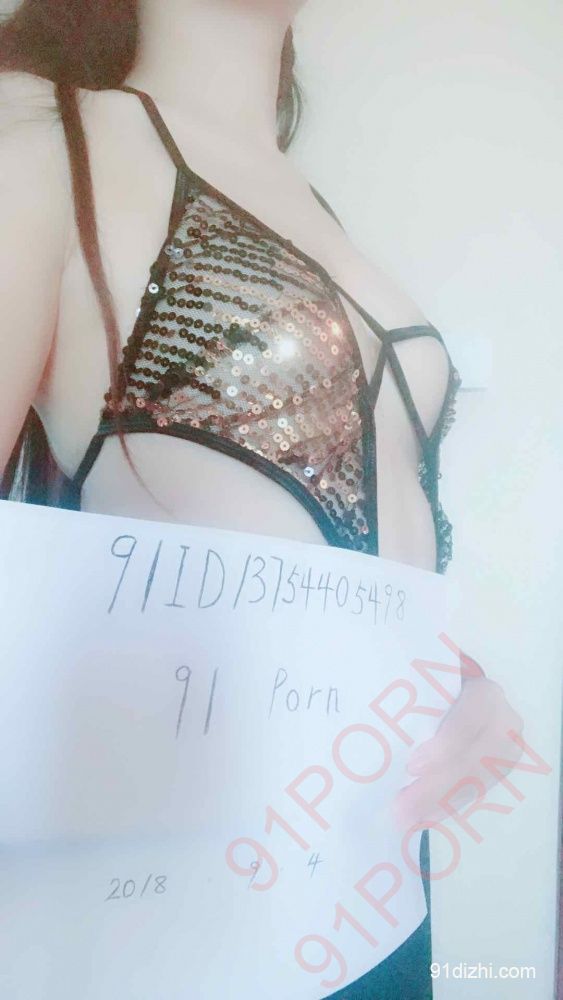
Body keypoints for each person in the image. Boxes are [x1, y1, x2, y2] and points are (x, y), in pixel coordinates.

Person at [0, 1, 524, 997]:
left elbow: (358, 557)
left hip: (376, 879)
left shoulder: (316, 205)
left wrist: (451, 679)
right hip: (171, 919)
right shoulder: (39, 136)